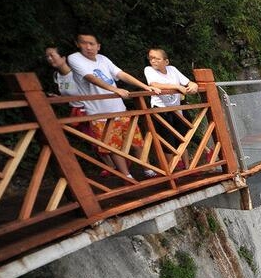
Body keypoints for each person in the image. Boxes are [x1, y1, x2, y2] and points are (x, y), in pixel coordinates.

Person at [68, 32, 161, 179]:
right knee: (113, 148)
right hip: (100, 114)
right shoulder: (74, 58)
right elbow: (89, 77)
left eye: (91, 43)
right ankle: (127, 176)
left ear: (98, 46)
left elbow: (121, 74)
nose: (88, 46)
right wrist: (114, 89)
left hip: (119, 109)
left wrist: (144, 86)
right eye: (84, 43)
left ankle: (148, 170)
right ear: (77, 44)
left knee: (136, 142)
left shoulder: (103, 59)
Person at [144, 48, 198, 169]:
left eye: (157, 58)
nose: (153, 61)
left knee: (181, 138)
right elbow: (154, 84)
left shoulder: (172, 69)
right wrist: (176, 86)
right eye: (151, 58)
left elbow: (188, 83)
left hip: (177, 109)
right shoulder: (148, 70)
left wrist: (193, 85)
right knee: (167, 141)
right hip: (161, 110)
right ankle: (172, 169)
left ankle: (188, 167)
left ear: (166, 61)